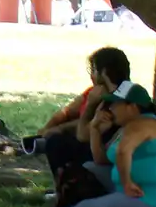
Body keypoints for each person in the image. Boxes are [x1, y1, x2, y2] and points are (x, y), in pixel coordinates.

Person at [0, 81, 156, 207]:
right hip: (132, 187)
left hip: (152, 196)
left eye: (115, 104)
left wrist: (127, 184)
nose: (111, 109)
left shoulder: (141, 125)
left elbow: (124, 153)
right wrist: (95, 130)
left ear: (132, 107)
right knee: (88, 168)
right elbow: (101, 160)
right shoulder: (129, 126)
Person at [25, 47, 131, 183]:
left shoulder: (114, 98)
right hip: (107, 150)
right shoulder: (124, 90)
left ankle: (66, 186)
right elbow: (68, 112)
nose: (91, 75)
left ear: (103, 72)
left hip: (108, 156)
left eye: (93, 70)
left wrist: (90, 106)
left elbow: (83, 135)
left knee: (57, 144)